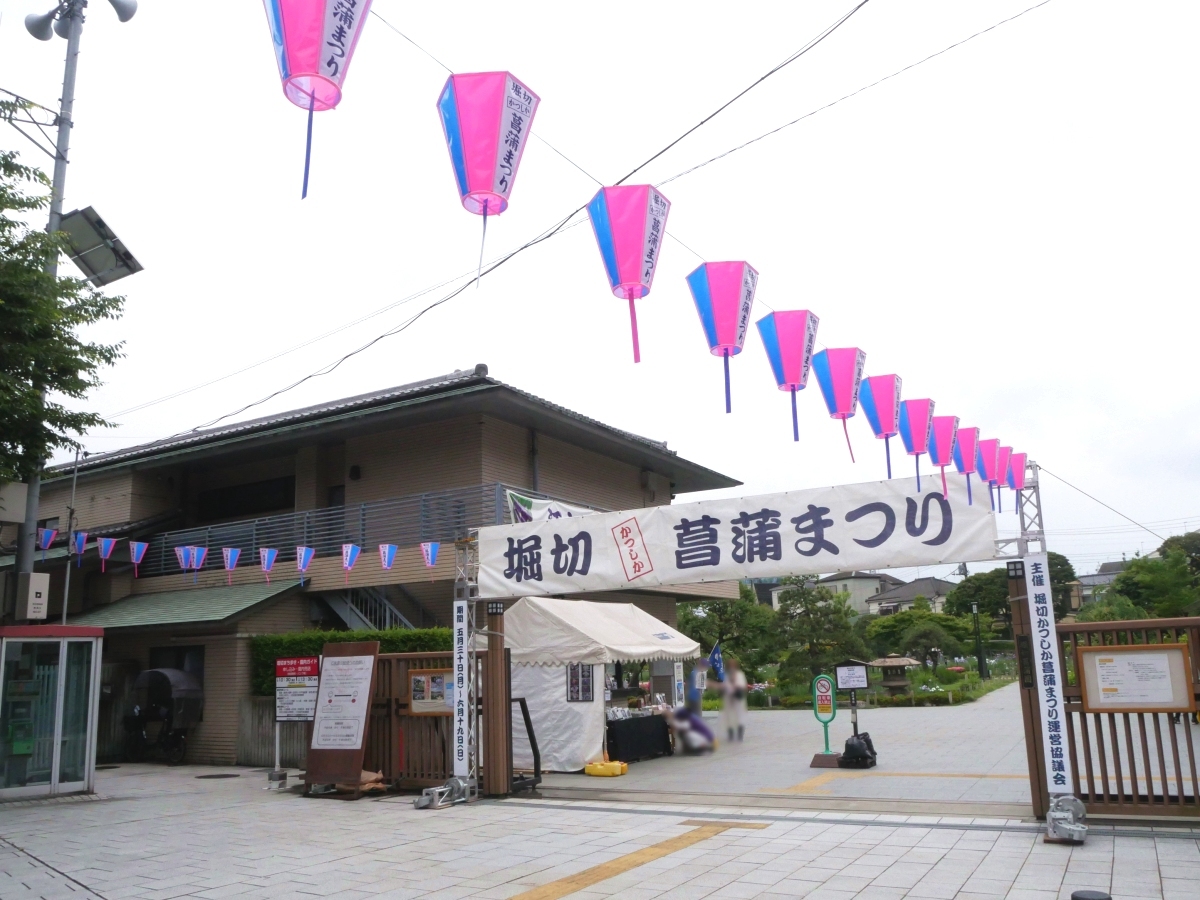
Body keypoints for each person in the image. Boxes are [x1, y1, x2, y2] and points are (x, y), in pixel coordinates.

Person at [720, 658, 748, 742]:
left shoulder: (740, 675)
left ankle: (740, 735)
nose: (732, 667)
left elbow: (742, 686)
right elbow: (725, 686)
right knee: (729, 717)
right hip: (729, 699)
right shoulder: (727, 675)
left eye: (733, 665)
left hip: (738, 699)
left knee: (740, 717)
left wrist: (735, 683)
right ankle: (730, 735)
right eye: (730, 665)